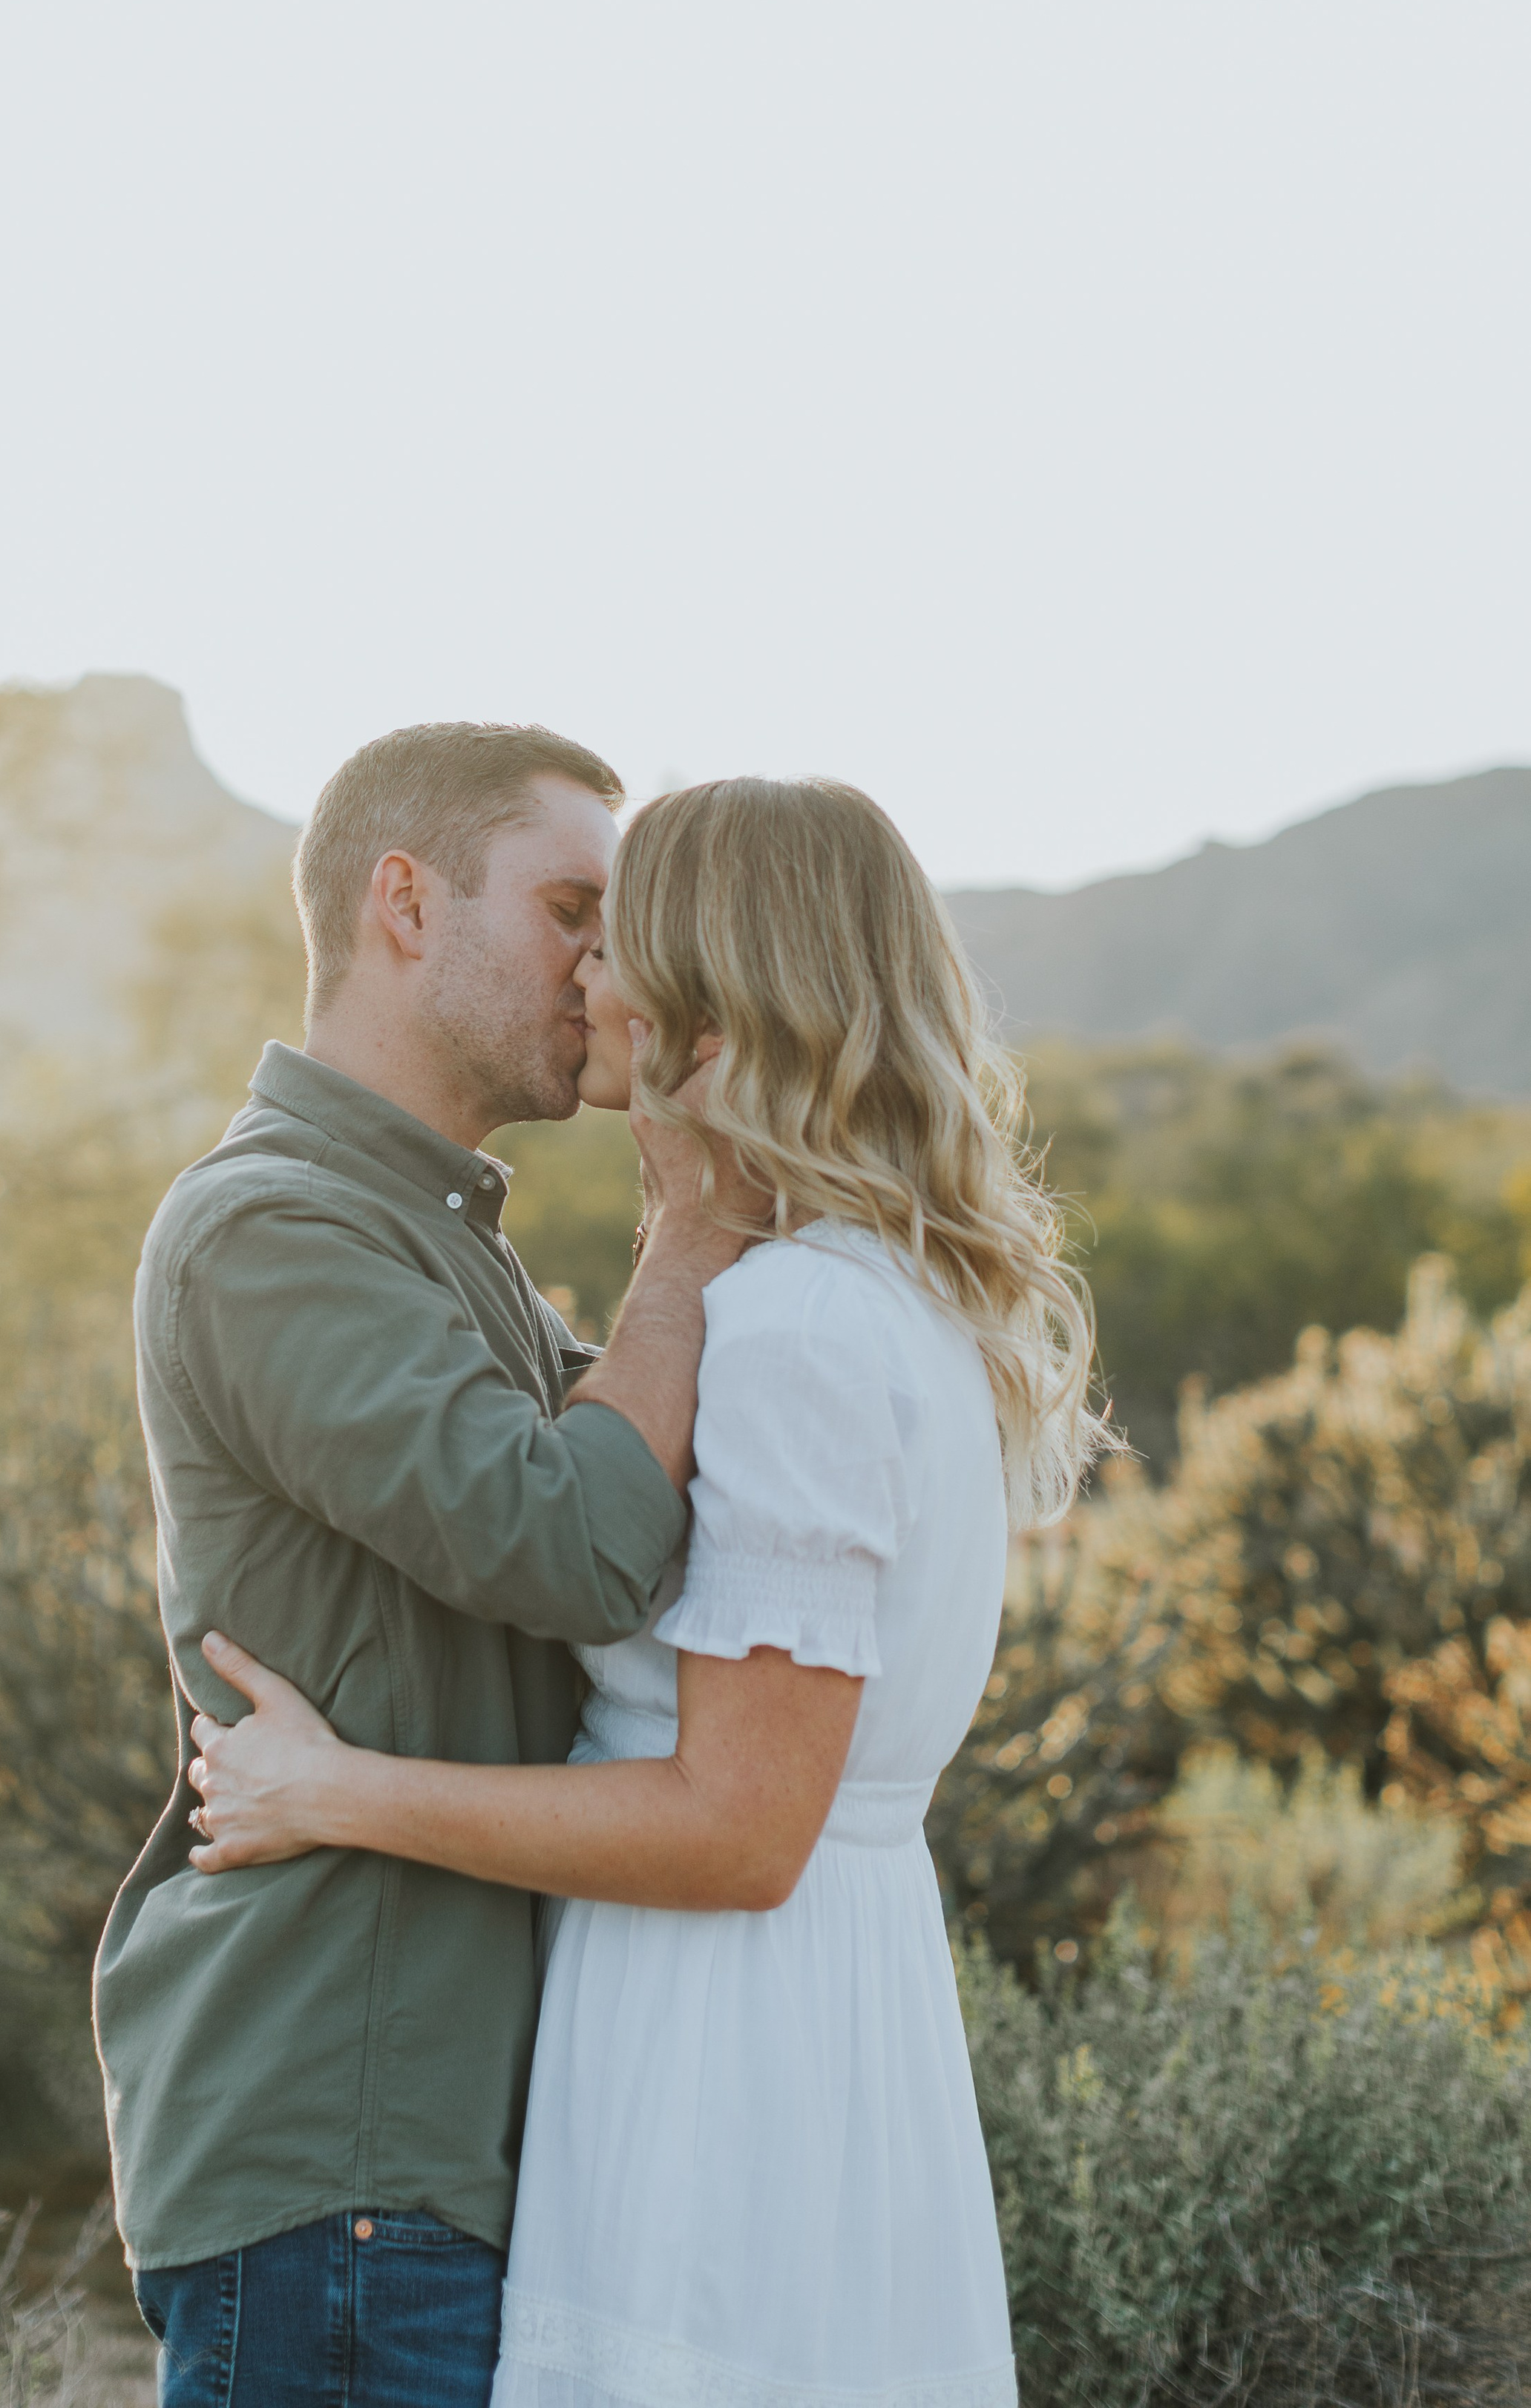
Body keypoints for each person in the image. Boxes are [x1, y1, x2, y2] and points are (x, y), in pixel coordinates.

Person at [187, 775, 1115, 2408]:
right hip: (797, 2016)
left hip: (719, 2051)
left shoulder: (798, 1328)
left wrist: (340, 1792)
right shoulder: (853, 1299)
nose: (588, 980)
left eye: (614, 941)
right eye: (573, 924)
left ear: (712, 992)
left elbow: (739, 1823)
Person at [94, 724, 745, 2408]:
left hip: (427, 2167)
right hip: (341, 2152)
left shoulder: (443, 1243)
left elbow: (673, 1485)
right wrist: (682, 1237)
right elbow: (583, 1537)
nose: (604, 969)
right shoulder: (276, 1227)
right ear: (402, 902)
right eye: (566, 909)